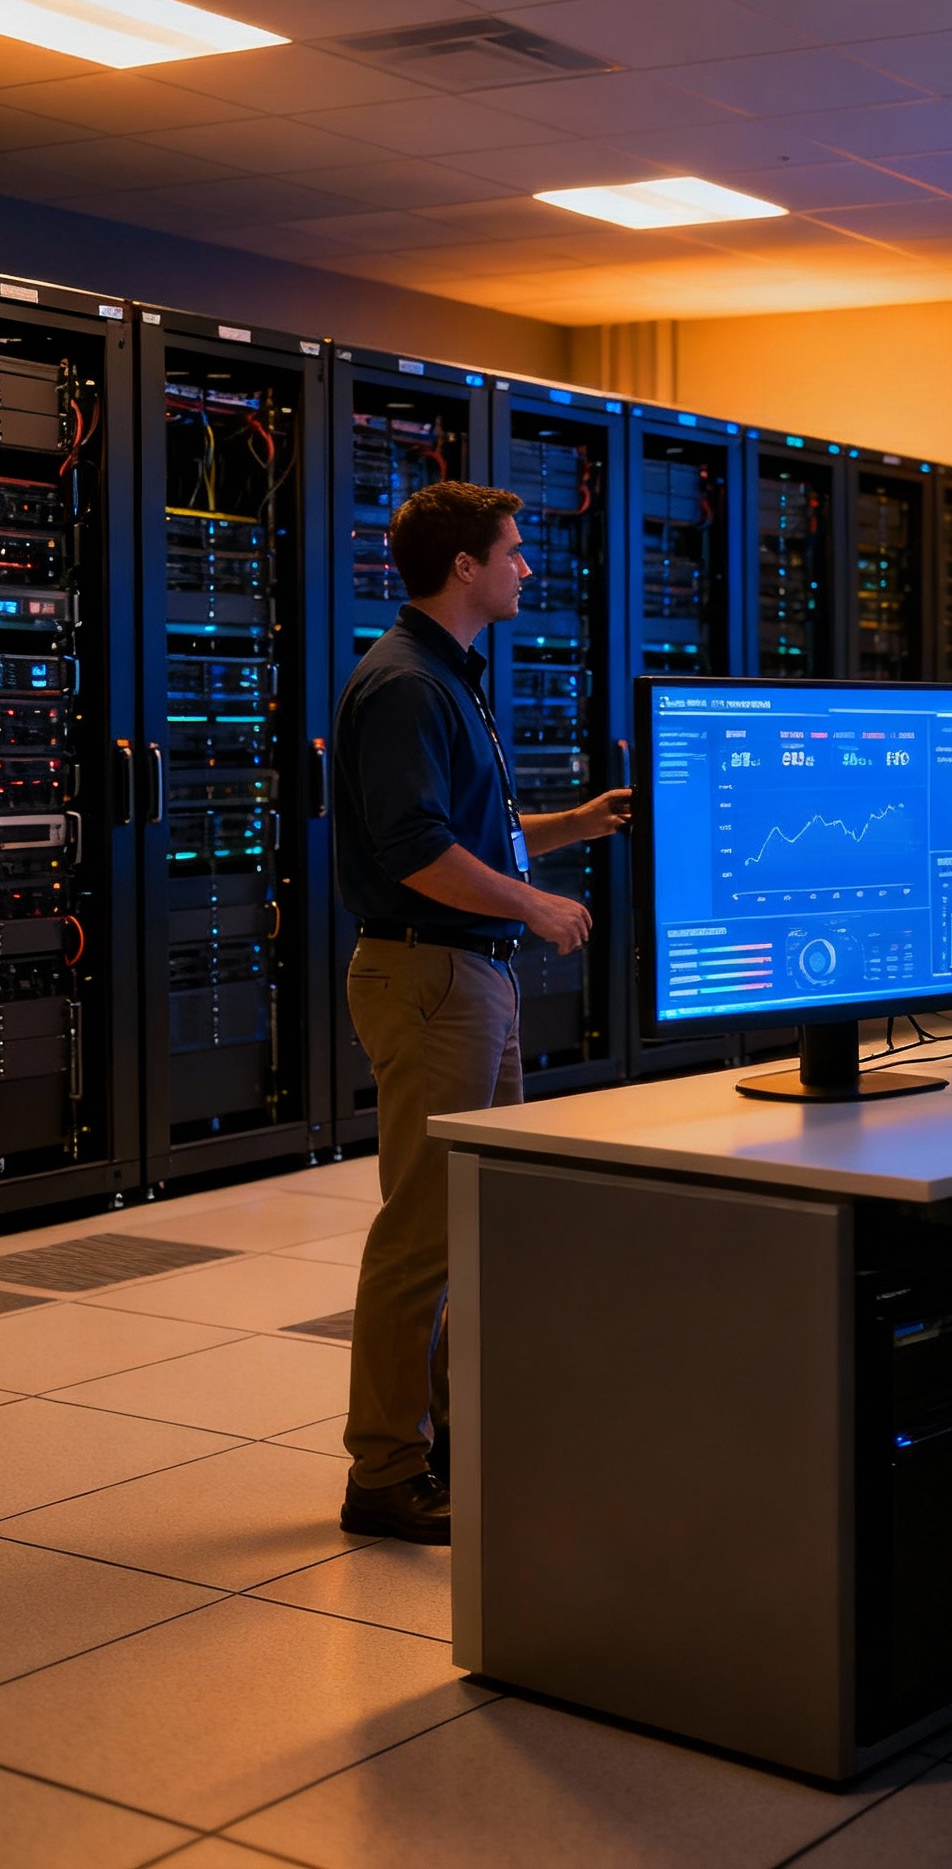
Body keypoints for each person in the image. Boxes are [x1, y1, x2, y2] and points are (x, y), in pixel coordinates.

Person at [331, 481, 629, 1544]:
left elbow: (474, 834)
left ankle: (453, 1441)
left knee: (469, 1221)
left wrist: (575, 826)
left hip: (466, 975)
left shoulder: (442, 674)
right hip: (432, 976)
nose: (525, 567)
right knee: (422, 1231)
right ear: (464, 565)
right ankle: (385, 1471)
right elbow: (414, 850)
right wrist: (534, 904)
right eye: (511, 550)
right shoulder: (407, 683)